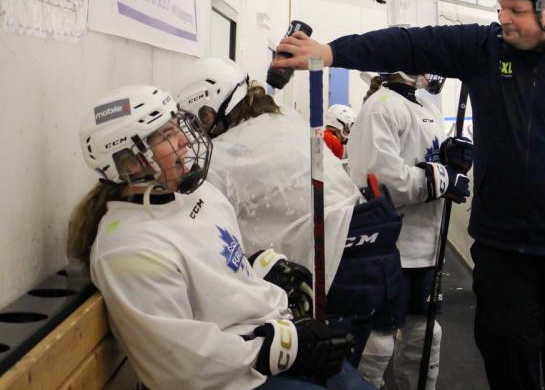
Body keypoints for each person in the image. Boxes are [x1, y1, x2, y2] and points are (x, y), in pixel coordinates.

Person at [269, 0, 545, 390]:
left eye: (515, 10)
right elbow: (409, 42)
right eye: (500, 8)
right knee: (506, 359)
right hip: (503, 248)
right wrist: (332, 52)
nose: (504, 19)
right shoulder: (484, 49)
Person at [67, 85, 366, 390]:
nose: (184, 140)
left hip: (256, 344)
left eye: (177, 127)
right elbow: (180, 363)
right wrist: (279, 350)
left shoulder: (198, 193)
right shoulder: (130, 249)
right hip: (229, 377)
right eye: (167, 136)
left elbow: (214, 265)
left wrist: (261, 267)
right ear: (129, 162)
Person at [173, 58, 403, 365]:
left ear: (210, 110)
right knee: (351, 363)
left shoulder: (227, 155)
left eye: (197, 119)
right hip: (371, 251)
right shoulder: (285, 120)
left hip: (337, 263)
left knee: (328, 366)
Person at [346, 71, 470, 390]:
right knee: (380, 338)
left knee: (426, 334)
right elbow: (378, 179)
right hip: (392, 245)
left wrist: (451, 162)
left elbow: (425, 161)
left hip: (427, 243)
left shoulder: (425, 108)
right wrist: (439, 179)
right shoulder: (381, 106)